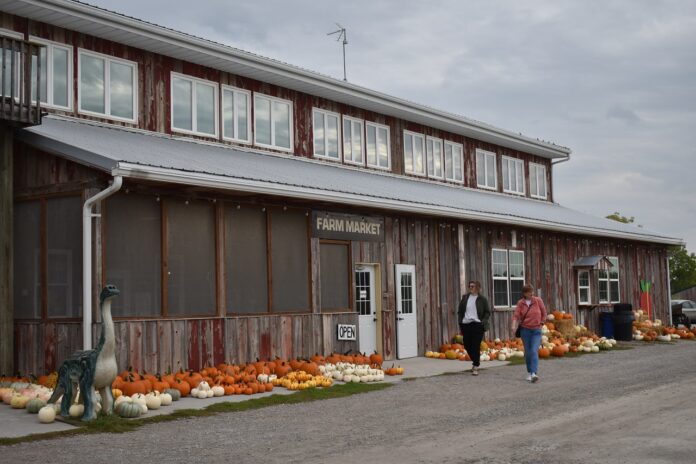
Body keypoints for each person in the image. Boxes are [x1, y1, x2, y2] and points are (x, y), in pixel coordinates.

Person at [511, 285, 547, 383]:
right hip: (525, 330)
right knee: (528, 352)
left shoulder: (538, 301)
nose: (531, 293)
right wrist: (513, 326)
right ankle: (529, 372)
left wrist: (542, 323)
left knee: (534, 350)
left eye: (532, 291)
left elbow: (544, 313)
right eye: (529, 292)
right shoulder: (521, 303)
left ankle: (534, 373)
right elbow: (516, 316)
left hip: (536, 330)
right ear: (524, 293)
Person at [457, 280, 491, 376]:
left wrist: (482, 321)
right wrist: (460, 321)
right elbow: (460, 311)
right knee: (467, 345)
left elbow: (487, 312)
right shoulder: (465, 298)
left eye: (473, 286)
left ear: (478, 288)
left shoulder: (482, 299)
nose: (471, 288)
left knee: (475, 345)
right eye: (470, 286)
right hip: (466, 324)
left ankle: (475, 365)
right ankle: (476, 361)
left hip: (477, 324)